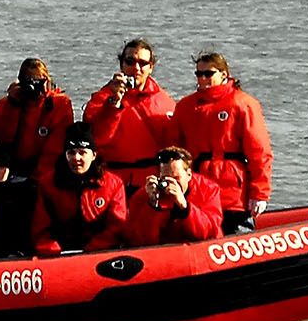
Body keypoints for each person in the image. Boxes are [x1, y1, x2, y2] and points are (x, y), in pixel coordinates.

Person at [173, 52, 273, 234]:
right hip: (198, 186)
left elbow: (259, 152)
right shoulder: (185, 107)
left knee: (236, 236)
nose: (203, 79)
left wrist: (260, 193)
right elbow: (176, 149)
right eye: (199, 74)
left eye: (208, 74)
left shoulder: (242, 104)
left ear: (223, 75)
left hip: (233, 192)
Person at [83, 37, 177, 191]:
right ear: (122, 64)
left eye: (143, 63)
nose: (136, 68)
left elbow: (174, 143)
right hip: (112, 180)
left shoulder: (164, 100)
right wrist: (114, 103)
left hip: (150, 180)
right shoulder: (101, 99)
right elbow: (98, 138)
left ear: (151, 67)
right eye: (130, 62)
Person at [32, 121, 128, 256]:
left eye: (82, 153)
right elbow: (40, 228)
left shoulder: (113, 184)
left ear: (93, 155)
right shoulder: (47, 184)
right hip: (59, 251)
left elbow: (117, 226)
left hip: (100, 250)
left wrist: (92, 249)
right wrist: (51, 250)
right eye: (71, 153)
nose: (76, 158)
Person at [0, 57, 75, 182]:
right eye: (28, 81)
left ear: (46, 81)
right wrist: (12, 105)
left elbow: (56, 148)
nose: (33, 87)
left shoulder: (59, 104)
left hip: (45, 171)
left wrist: (36, 179)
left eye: (38, 81)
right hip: (13, 168)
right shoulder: (9, 104)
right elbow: (0, 137)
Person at [123, 146, 224, 247]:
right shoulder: (142, 196)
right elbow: (139, 241)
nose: (172, 183)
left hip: (199, 250)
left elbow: (211, 233)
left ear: (189, 174)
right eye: (165, 178)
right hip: (163, 252)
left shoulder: (208, 189)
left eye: (176, 178)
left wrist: (185, 207)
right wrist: (153, 206)